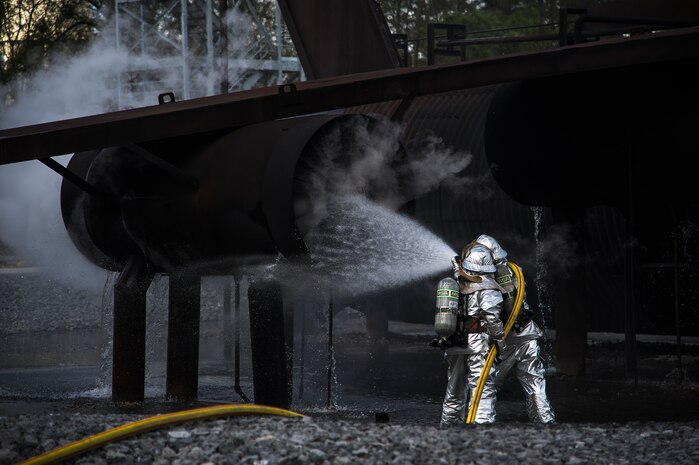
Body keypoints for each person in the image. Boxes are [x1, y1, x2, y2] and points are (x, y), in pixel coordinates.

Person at [473, 234, 556, 424]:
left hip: (504, 340)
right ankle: (545, 422)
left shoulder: (487, 278)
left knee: (486, 383)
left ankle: (481, 425)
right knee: (535, 382)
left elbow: (490, 313)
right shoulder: (514, 271)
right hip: (527, 334)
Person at [439, 243, 506, 426]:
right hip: (478, 343)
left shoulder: (456, 282)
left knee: (454, 389)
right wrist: (500, 342)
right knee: (482, 388)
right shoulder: (489, 288)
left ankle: (448, 427)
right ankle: (481, 429)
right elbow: (492, 318)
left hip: (454, 341)